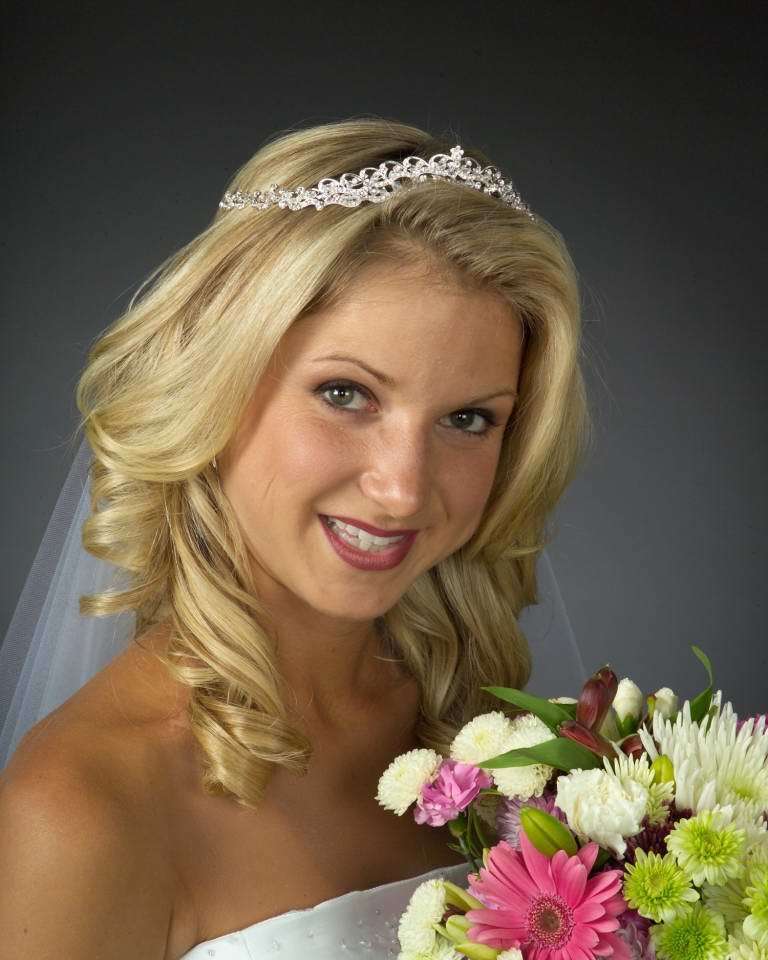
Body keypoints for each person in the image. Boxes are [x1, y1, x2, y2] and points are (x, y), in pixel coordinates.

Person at [0, 118, 592, 958]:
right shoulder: (81, 809)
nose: (402, 489)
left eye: (468, 419)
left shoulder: (487, 739)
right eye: (346, 394)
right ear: (217, 382)